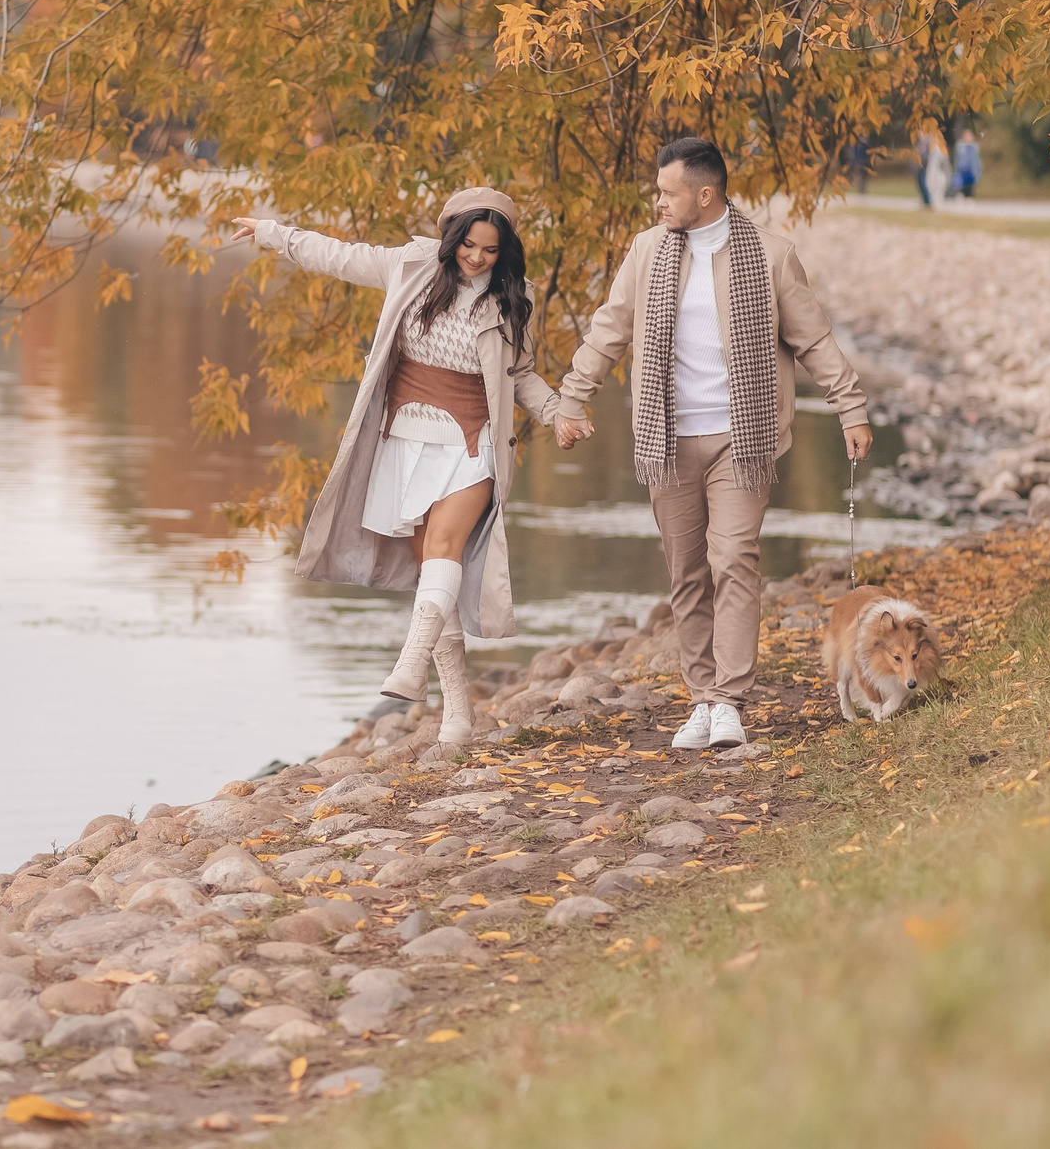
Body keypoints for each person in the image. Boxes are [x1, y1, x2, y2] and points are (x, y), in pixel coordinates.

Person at [550, 138, 873, 751]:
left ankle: (729, 701)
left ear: (705, 194)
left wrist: (850, 408)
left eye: (667, 192)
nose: (658, 201)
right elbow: (610, 327)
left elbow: (813, 339)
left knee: (733, 559)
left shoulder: (771, 256)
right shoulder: (647, 250)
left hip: (741, 440)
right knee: (688, 573)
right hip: (667, 440)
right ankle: (702, 698)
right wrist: (572, 397)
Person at [229, 188, 556, 749]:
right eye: (470, 245)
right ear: (451, 237)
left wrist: (556, 412)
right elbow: (338, 255)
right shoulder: (410, 266)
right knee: (433, 571)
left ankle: (410, 662)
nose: (478, 258)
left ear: (505, 251)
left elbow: (521, 373)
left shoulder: (514, 297)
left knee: (445, 549)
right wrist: (272, 232)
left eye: (490, 250)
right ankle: (458, 716)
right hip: (405, 437)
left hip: (472, 442)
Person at [914, 124, 954, 210]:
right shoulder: (922, 144)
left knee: (936, 188)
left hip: (935, 171)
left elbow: (944, 161)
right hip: (926, 169)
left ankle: (934, 204)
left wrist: (947, 173)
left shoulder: (935, 145)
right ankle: (929, 203)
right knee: (929, 186)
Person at [953, 125, 983, 200]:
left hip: (972, 169)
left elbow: (976, 159)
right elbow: (958, 159)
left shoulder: (974, 146)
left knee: (971, 185)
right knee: (961, 184)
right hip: (962, 169)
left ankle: (969, 197)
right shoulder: (960, 146)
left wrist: (979, 169)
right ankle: (962, 195)